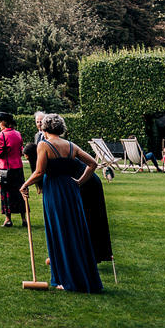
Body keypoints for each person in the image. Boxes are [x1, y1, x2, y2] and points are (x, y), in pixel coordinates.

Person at [21, 113, 103, 293]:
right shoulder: (71, 145)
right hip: (71, 190)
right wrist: (79, 182)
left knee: (59, 231)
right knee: (75, 231)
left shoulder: (44, 144)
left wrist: (25, 184)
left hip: (54, 191)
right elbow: (93, 164)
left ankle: (65, 281)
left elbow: (40, 171)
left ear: (44, 128)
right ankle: (78, 277)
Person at [0, 113, 26, 228]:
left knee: (6, 194)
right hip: (18, 167)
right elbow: (21, 149)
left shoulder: (1, 135)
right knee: (20, 192)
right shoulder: (18, 134)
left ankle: (8, 219)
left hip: (5, 169)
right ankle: (24, 218)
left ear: (4, 122)